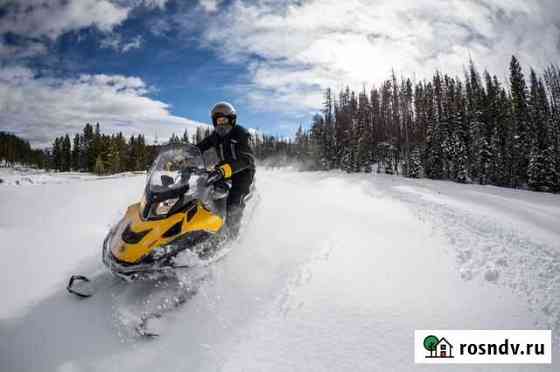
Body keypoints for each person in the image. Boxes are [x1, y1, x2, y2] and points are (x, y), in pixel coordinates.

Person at [196, 101, 255, 238]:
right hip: (222, 170)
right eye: (218, 121)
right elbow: (199, 148)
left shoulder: (241, 134)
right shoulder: (215, 136)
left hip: (243, 172)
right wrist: (182, 157)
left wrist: (223, 171)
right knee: (202, 190)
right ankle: (204, 224)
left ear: (232, 120)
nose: (221, 124)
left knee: (234, 202)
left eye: (224, 120)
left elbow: (247, 159)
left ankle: (231, 235)